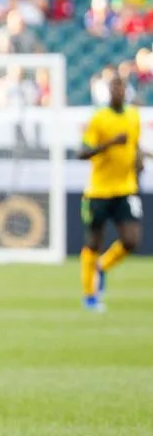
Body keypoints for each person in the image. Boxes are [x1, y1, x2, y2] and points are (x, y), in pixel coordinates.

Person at [78, 76, 143, 312]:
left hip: (125, 188)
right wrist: (109, 144)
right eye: (114, 87)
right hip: (98, 191)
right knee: (93, 241)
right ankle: (89, 295)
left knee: (131, 240)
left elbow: (134, 145)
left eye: (122, 87)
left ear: (125, 91)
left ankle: (102, 266)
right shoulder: (99, 119)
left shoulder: (134, 116)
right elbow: (82, 152)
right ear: (108, 92)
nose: (118, 91)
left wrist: (138, 160)